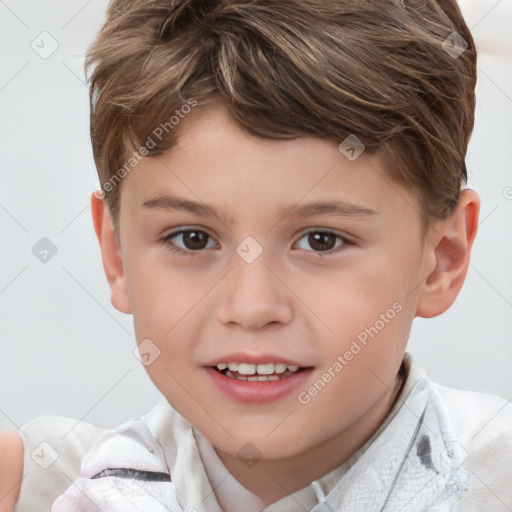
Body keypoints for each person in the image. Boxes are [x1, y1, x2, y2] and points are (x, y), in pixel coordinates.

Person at [1, 0, 511, 510]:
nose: (251, 307)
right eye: (192, 239)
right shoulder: (37, 486)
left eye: (321, 241)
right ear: (116, 255)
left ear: (442, 258)